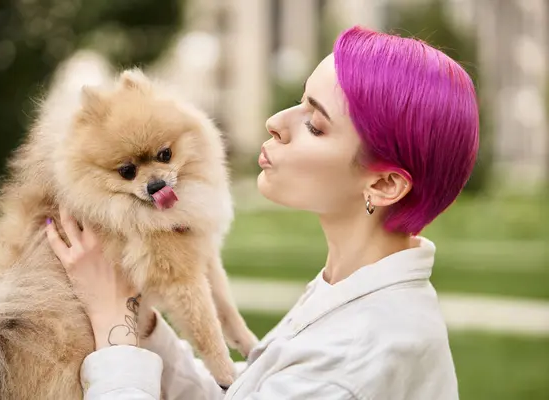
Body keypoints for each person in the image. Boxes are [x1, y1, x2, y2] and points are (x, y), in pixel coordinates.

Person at [46, 26, 479, 399]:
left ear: (384, 184)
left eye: (315, 123)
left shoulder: (353, 357)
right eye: (300, 100)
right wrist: (142, 322)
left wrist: (110, 321)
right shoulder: (348, 289)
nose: (276, 120)